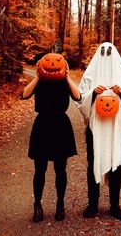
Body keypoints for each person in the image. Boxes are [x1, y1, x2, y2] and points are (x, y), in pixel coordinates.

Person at [77, 42, 121, 220]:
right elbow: (80, 101)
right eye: (102, 53)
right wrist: (93, 94)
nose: (105, 58)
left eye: (109, 53)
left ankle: (114, 205)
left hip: (115, 129)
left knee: (115, 163)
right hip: (95, 127)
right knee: (93, 163)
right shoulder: (89, 75)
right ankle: (93, 204)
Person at [21, 55, 81, 222]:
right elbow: (24, 95)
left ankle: (60, 204)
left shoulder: (64, 81)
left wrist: (68, 76)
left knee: (60, 170)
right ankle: (37, 204)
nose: (52, 65)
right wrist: (38, 76)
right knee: (40, 169)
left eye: (57, 63)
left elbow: (77, 97)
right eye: (49, 63)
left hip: (61, 126)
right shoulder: (40, 81)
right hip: (42, 125)